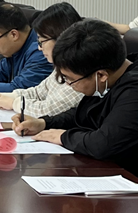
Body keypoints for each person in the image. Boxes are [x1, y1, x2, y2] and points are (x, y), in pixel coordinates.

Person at [13, 20, 138, 175]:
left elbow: (104, 144)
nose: (68, 84)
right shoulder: (111, 75)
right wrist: (44, 123)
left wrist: (63, 137)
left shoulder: (133, 89)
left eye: (70, 79)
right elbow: (84, 114)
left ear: (101, 75)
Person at [0, 2, 84, 117]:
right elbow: (37, 92)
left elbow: (47, 110)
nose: (39, 48)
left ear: (61, 39)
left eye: (42, 42)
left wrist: (14, 103)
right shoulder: (60, 68)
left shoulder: (79, 73)